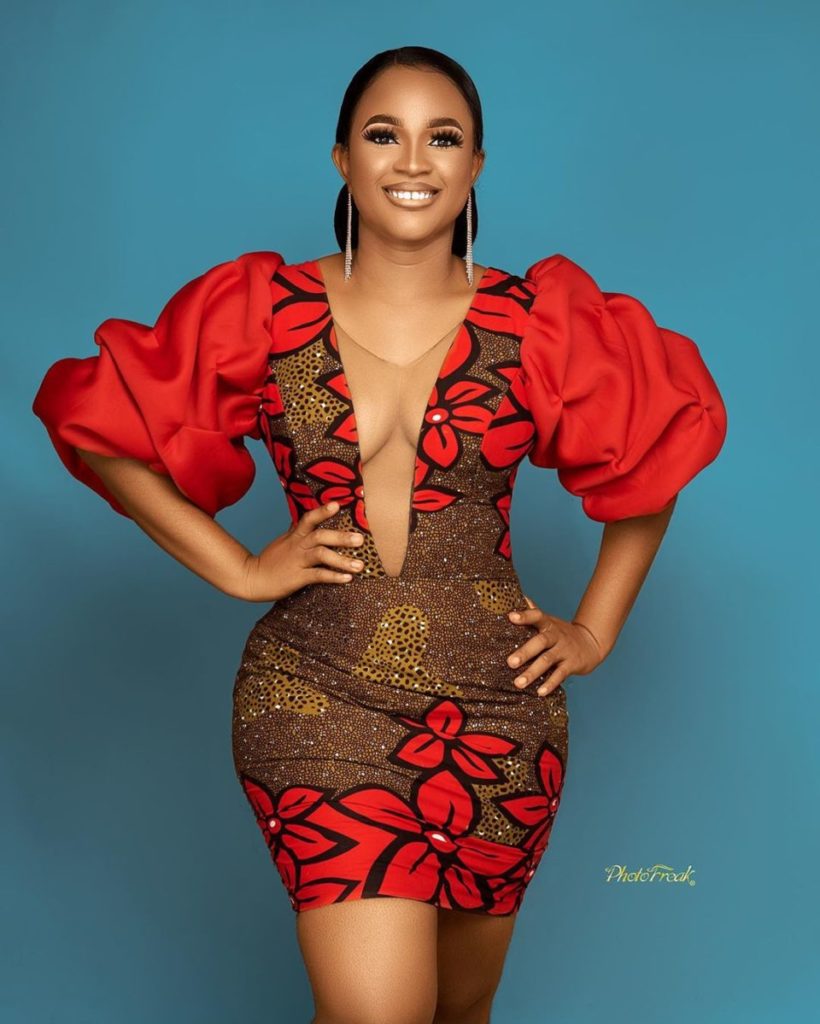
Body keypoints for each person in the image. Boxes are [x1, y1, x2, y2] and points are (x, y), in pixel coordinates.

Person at [32, 45, 727, 1024]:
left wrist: (593, 631)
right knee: (380, 1012)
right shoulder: (261, 312)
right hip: (316, 694)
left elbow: (659, 441)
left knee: (459, 1009)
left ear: (475, 164)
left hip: (500, 709)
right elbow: (99, 422)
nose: (411, 160)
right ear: (342, 158)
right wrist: (240, 568)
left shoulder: (538, 324)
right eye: (382, 134)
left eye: (441, 137)